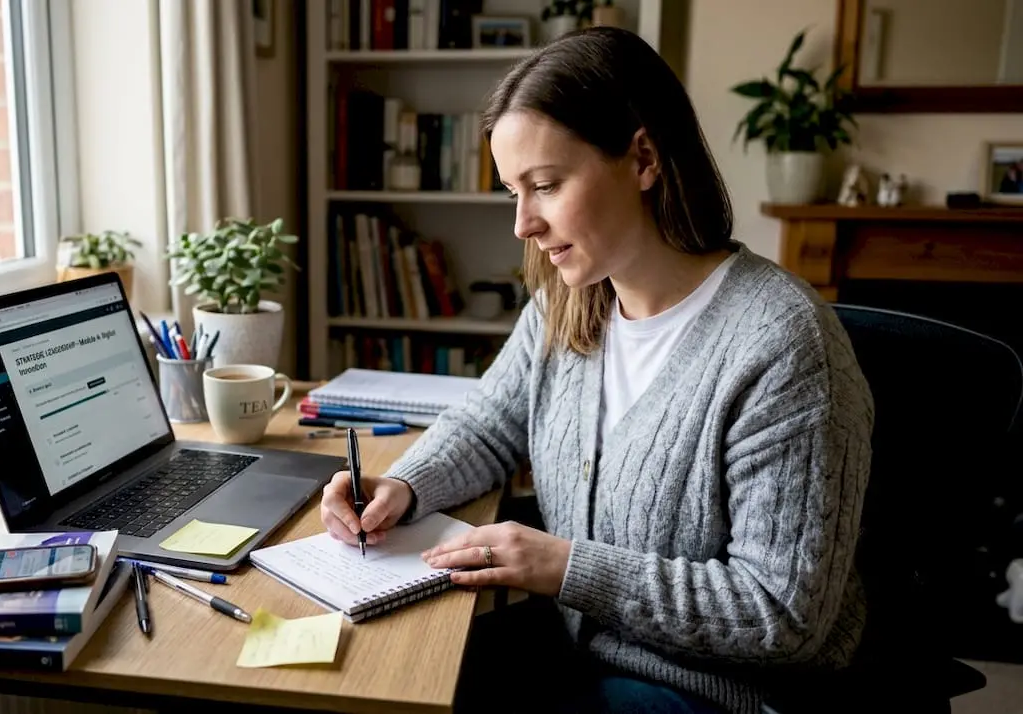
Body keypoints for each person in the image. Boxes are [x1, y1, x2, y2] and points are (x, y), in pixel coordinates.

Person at [319, 26, 875, 714]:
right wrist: (403, 485)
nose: (522, 224)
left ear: (642, 158)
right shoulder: (570, 300)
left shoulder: (781, 344)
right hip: (579, 649)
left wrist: (565, 567)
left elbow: (783, 614)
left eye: (545, 185)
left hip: (721, 693)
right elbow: (492, 421)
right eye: (512, 192)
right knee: (368, 684)